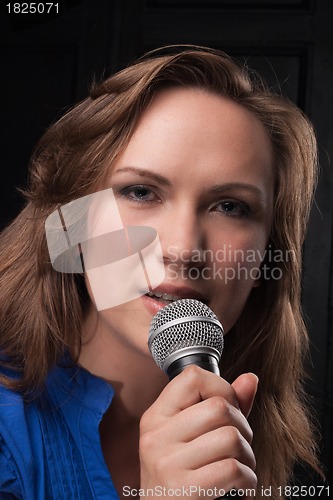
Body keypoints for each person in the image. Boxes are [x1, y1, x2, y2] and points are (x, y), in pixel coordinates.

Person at [0, 45, 324, 499]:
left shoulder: (251, 438)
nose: (183, 249)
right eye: (141, 192)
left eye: (230, 206)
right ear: (72, 224)